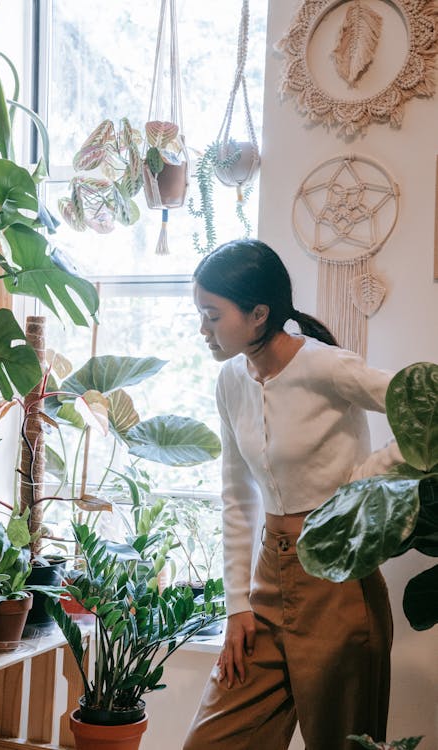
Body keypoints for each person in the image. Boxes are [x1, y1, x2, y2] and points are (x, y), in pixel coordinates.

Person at [183, 239, 402, 750]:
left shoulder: (327, 366)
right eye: (200, 314)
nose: (203, 330)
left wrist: (360, 479)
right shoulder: (230, 380)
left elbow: (426, 404)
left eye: (212, 316)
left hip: (338, 584)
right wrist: (237, 605)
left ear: (258, 314)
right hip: (266, 582)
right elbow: (236, 498)